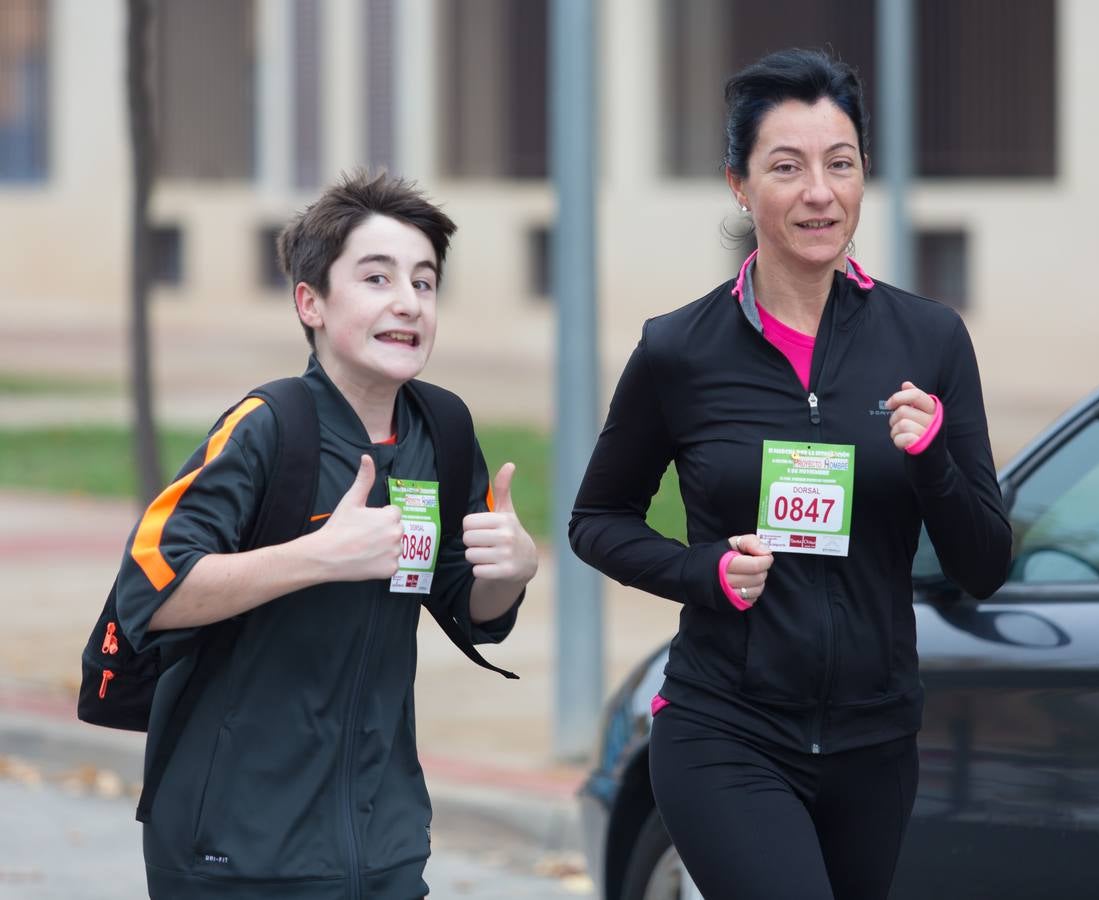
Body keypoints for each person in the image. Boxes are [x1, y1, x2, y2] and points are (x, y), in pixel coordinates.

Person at [569, 49, 1010, 899]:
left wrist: (931, 463)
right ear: (739, 185)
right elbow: (597, 519)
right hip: (723, 728)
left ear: (862, 176)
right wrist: (704, 571)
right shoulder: (678, 350)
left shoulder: (928, 340)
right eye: (787, 167)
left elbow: (983, 565)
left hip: (874, 741)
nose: (819, 192)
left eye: (839, 165)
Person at [114, 170, 538, 898]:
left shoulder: (442, 430)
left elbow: (468, 608)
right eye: (376, 278)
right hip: (233, 851)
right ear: (309, 302)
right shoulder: (267, 427)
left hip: (383, 844)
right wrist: (317, 557)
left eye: (425, 282)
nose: (407, 302)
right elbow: (149, 593)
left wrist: (509, 571)